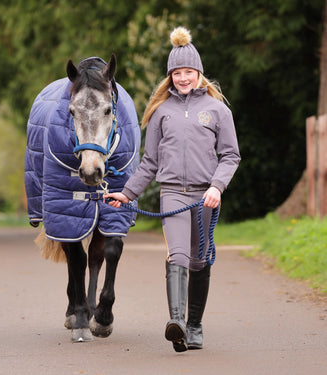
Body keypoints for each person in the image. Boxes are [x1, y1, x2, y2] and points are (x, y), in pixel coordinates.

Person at [105, 26, 240, 352]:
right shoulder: (161, 112)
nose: (183, 78)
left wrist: (217, 187)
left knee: (199, 261)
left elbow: (231, 155)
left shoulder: (218, 110)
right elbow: (149, 162)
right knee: (177, 254)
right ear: (170, 76)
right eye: (177, 73)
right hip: (173, 194)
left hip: (205, 196)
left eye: (188, 72)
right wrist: (126, 194)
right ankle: (177, 323)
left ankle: (194, 326)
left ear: (198, 73)